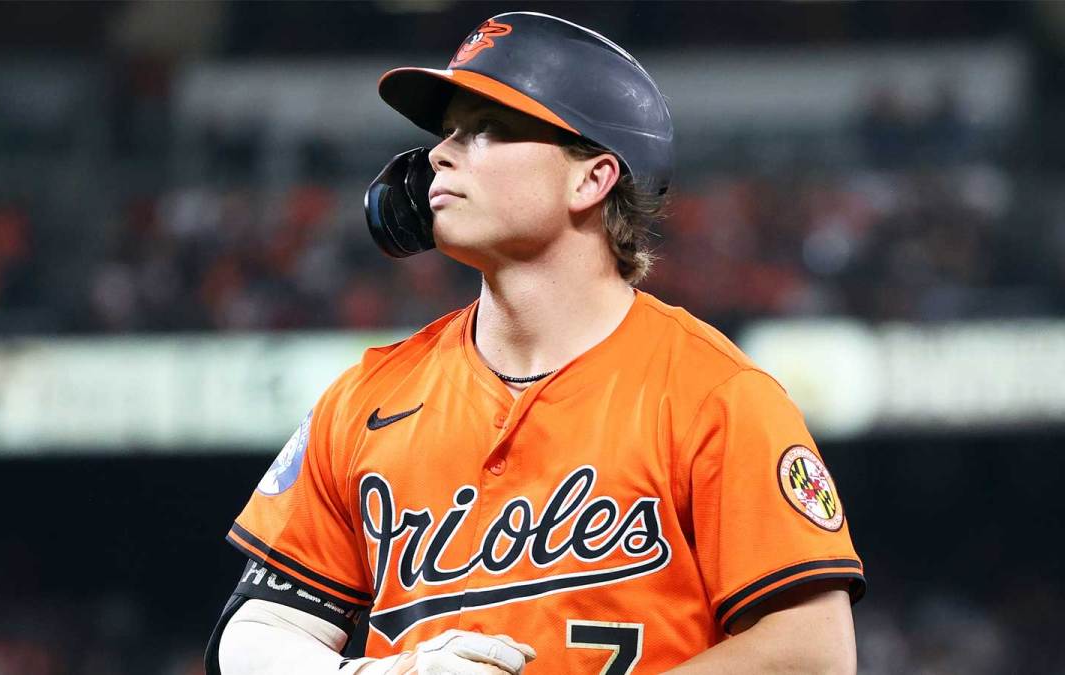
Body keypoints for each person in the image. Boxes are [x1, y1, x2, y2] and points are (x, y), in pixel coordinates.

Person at [207, 11, 864, 675]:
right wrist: (381, 673)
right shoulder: (365, 398)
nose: (439, 153)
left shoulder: (716, 396)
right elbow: (255, 633)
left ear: (592, 178)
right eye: (449, 132)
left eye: (488, 128)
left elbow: (810, 653)